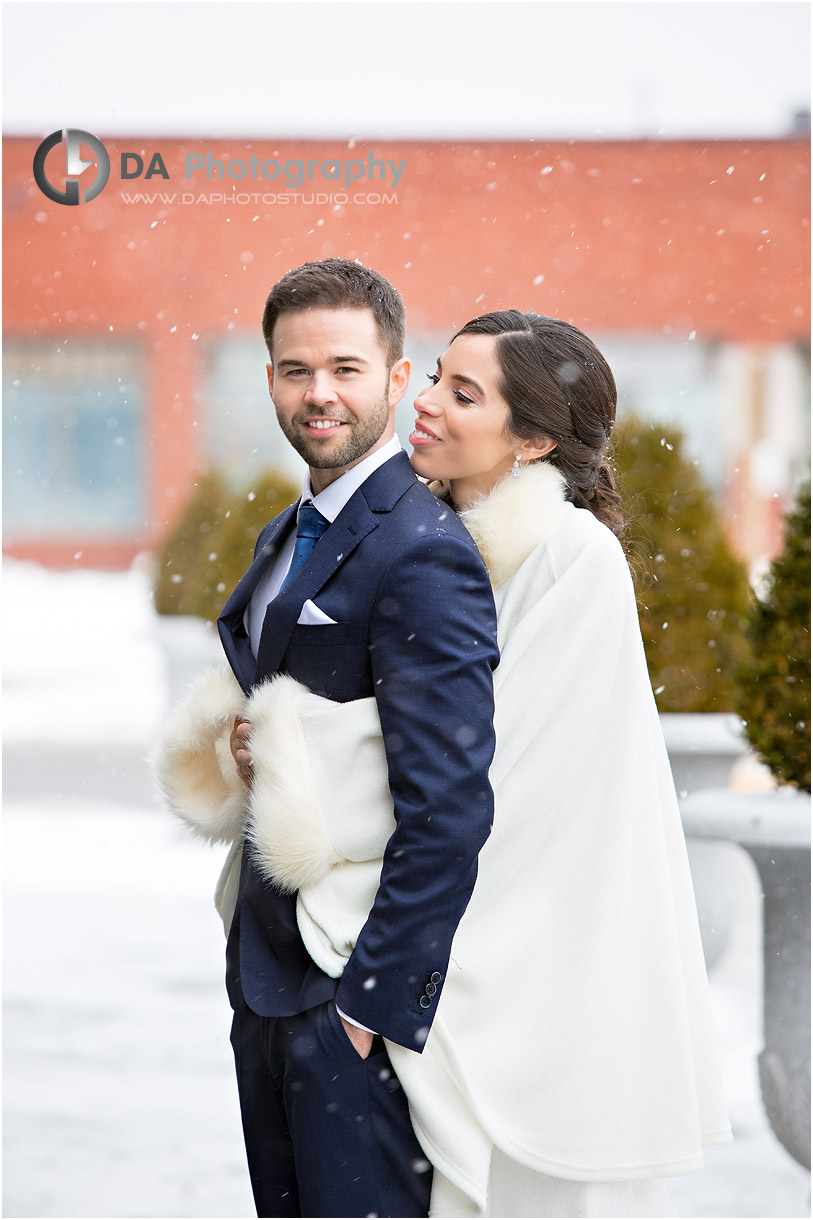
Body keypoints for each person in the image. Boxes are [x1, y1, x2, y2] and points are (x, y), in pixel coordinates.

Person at [215, 309, 732, 1216]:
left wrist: (295, 749)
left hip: (484, 959)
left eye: (463, 393)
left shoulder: (572, 558)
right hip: (368, 952)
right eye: (432, 381)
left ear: (531, 438)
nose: (425, 407)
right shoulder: (425, 533)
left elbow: (496, 773)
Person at [153, 258, 500, 1218]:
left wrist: (368, 1009)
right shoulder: (284, 533)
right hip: (266, 974)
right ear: (268, 378)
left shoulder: (422, 549)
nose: (320, 394)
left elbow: (452, 804)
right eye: (296, 369)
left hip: (347, 991)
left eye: (347, 369)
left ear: (396, 379)